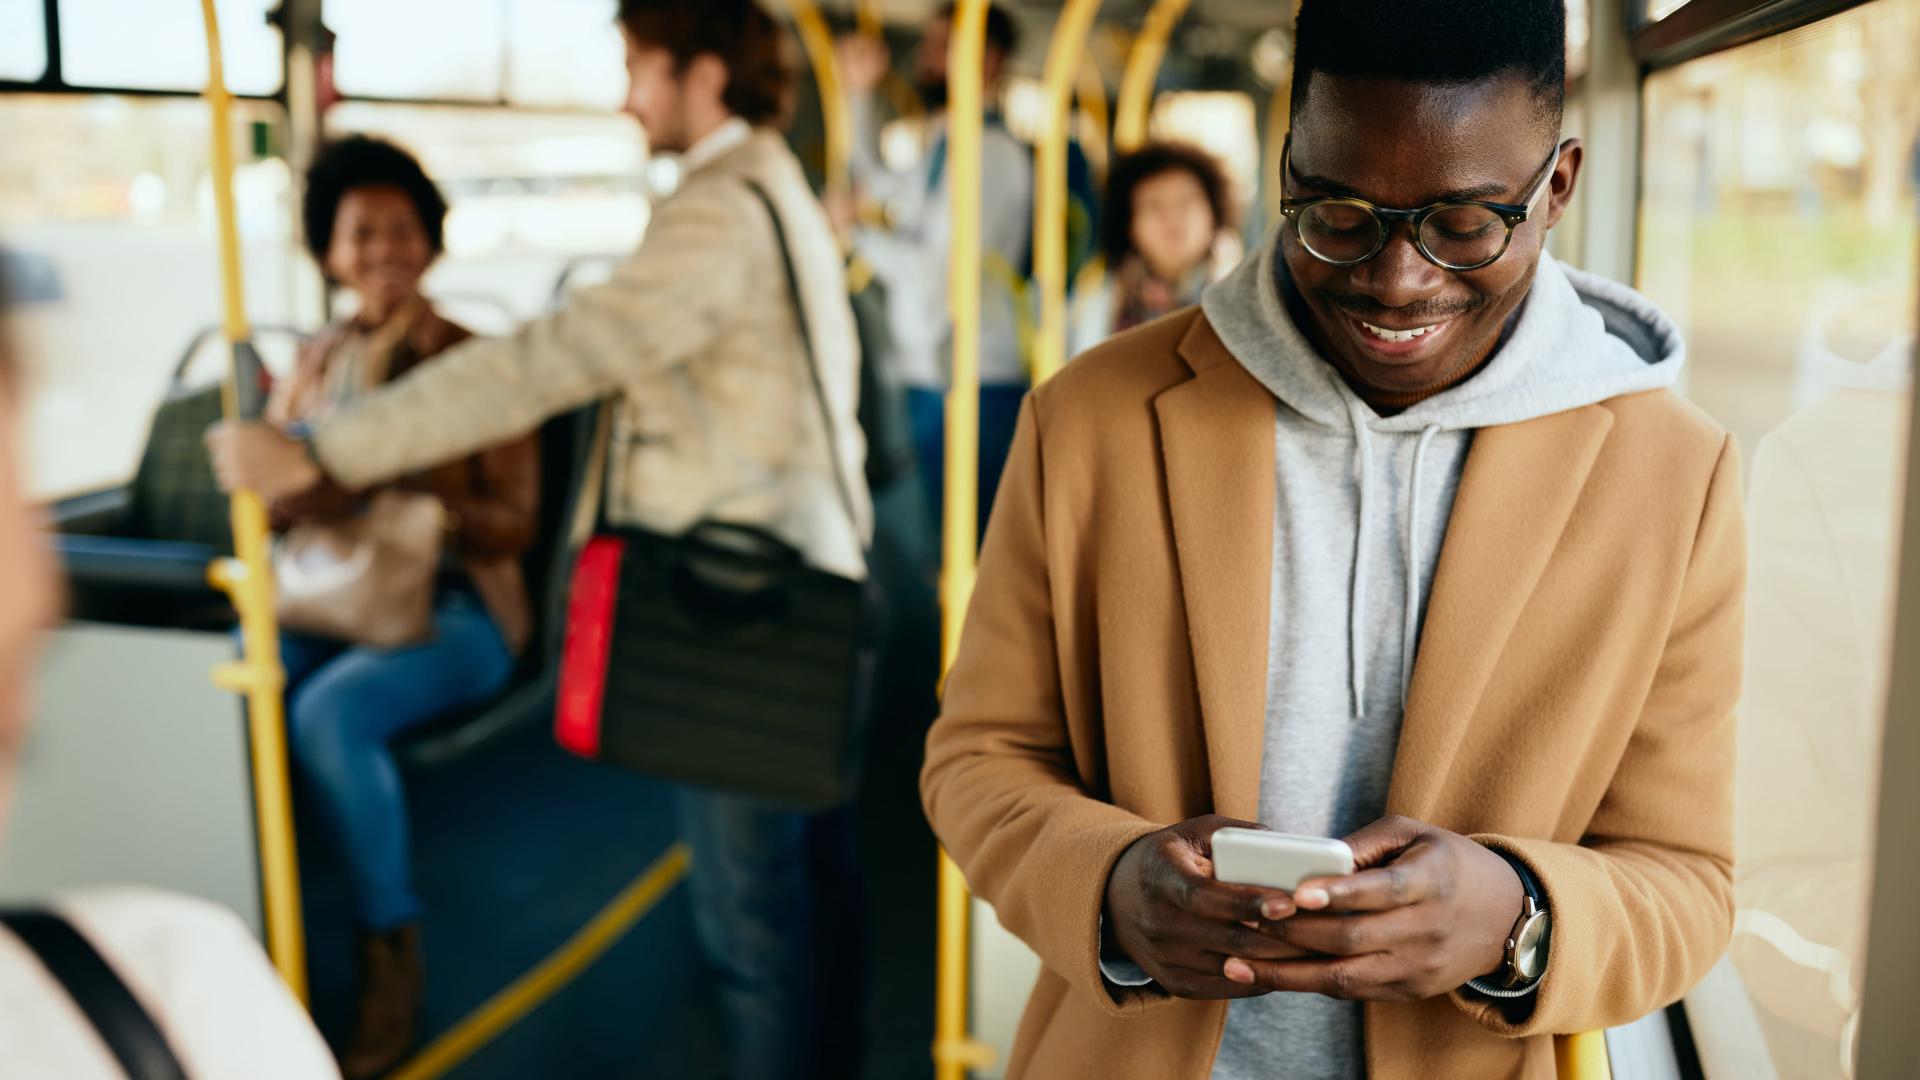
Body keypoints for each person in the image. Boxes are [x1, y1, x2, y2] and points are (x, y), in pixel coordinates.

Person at [920, 1, 1743, 1077]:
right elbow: (978, 757)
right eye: (1340, 215)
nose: (1397, 283)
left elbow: (1688, 878)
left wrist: (1518, 918)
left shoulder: (1671, 476)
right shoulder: (1090, 420)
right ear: (1284, 166)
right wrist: (1111, 883)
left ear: (1561, 185)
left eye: (1463, 224)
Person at [206, 3, 874, 1077]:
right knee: (808, 881)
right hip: (797, 575)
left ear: (703, 72)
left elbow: (557, 357)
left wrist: (330, 452)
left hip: (739, 603)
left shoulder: (719, 210)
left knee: (750, 916)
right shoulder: (768, 189)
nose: (627, 97)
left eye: (639, 70)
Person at [0, 293, 338, 1078]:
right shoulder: (171, 991)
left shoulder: (170, 983)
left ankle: (389, 931)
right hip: (312, 586)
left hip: (404, 597)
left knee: (331, 718)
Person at [267, 134, 541, 1078]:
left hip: (460, 610)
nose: (384, 249)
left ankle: (392, 949)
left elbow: (514, 525)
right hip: (335, 592)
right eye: (362, 233)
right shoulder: (314, 363)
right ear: (330, 252)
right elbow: (276, 491)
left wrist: (409, 482)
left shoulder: (478, 364)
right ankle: (267, 898)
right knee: (238, 666)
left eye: (403, 230)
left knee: (328, 713)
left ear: (431, 244)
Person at [838, 4, 1033, 544]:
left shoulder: (991, 156)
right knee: (943, 541)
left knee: (970, 547)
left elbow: (935, 272)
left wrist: (854, 234)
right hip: (936, 370)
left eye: (940, 47)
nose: (925, 60)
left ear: (987, 61)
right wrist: (857, 97)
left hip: (975, 377)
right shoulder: (946, 146)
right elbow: (875, 188)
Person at [1071, 142, 1236, 354]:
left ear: (1213, 216)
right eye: (1154, 206)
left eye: (1185, 202)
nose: (1172, 217)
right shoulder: (1100, 305)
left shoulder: (1238, 298)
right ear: (1130, 225)